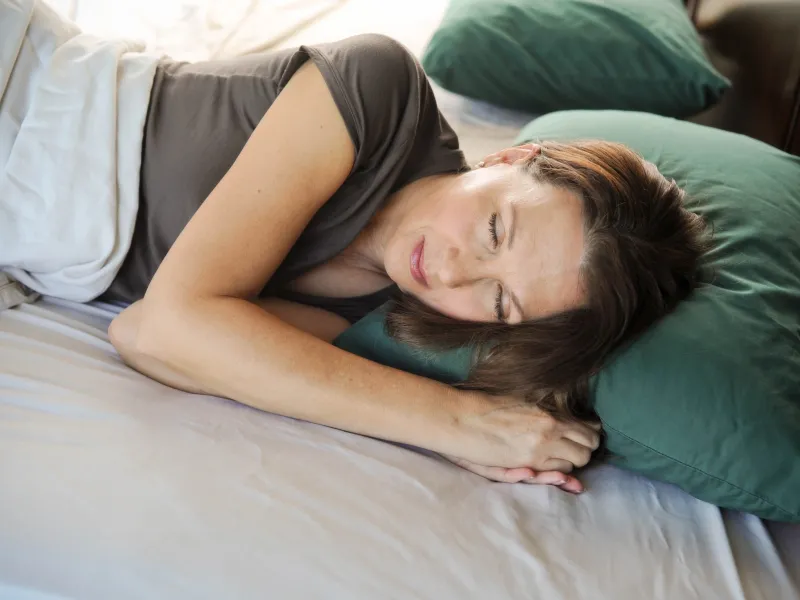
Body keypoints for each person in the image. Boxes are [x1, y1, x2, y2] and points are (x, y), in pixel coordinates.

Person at [1, 2, 709, 494]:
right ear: (507, 162)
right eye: (495, 229)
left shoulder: (383, 314)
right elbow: (173, 321)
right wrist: (457, 425)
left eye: (498, 299)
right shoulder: (379, 89)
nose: (455, 271)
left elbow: (149, 338)